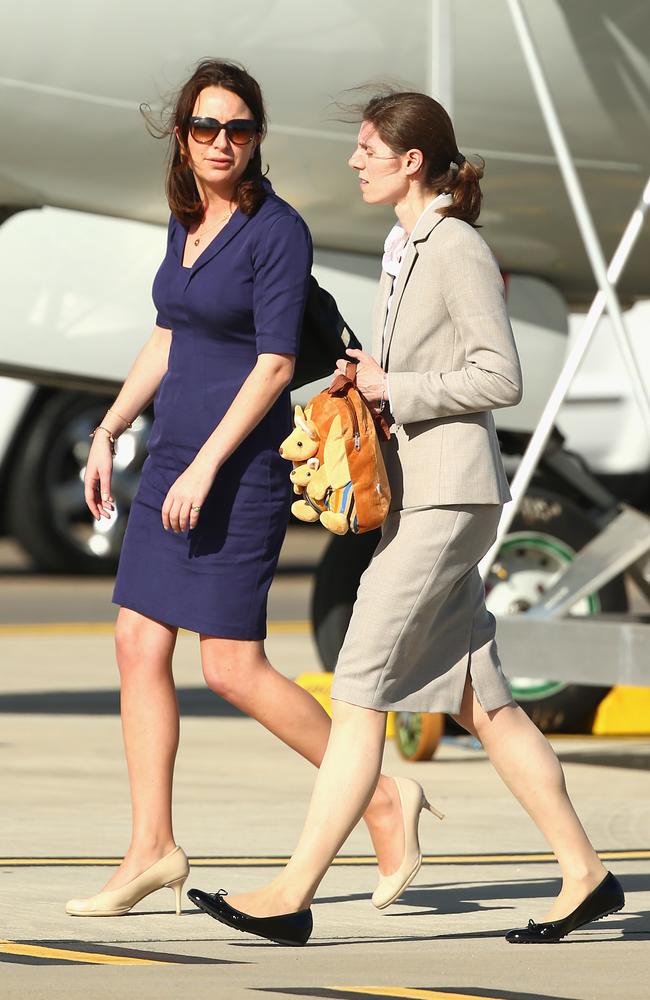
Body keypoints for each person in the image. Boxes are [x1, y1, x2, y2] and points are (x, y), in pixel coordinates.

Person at [188, 90, 625, 946]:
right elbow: (429, 368)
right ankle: (587, 875)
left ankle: (291, 895)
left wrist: (403, 389)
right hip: (419, 491)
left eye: (367, 149)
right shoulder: (404, 245)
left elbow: (501, 376)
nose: (355, 161)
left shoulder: (454, 244)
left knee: (357, 689)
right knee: (484, 700)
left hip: (448, 496)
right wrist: (370, 380)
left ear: (411, 160)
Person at [65, 62, 409, 919]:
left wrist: (207, 466)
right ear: (182, 135)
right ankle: (152, 848)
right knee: (136, 643)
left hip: (236, 467)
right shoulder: (188, 216)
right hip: (173, 456)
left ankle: (379, 798)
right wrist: (108, 432)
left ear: (258, 138)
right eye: (208, 128)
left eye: (241, 129)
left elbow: (276, 364)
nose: (224, 143)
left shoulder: (276, 231)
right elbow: (167, 337)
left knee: (230, 667)